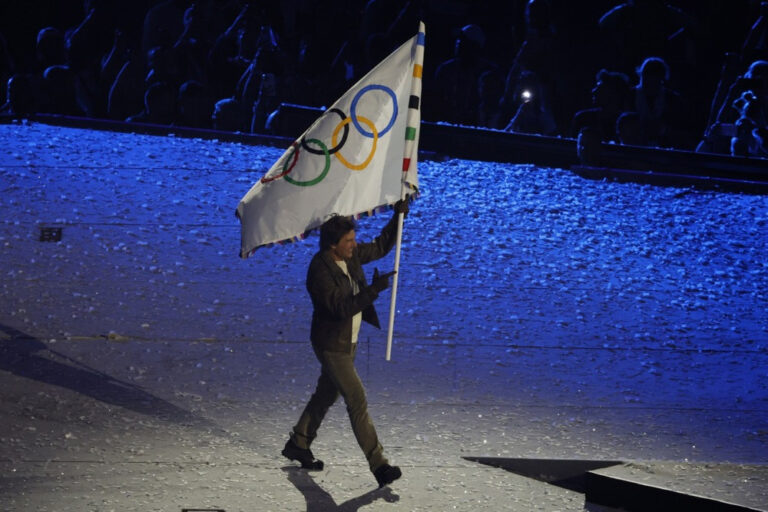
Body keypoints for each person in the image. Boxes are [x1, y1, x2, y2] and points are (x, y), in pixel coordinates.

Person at [282, 199, 410, 488]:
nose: (354, 245)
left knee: (325, 395)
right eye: (349, 241)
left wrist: (397, 217)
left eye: (354, 239)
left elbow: (378, 247)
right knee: (356, 399)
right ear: (332, 245)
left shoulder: (349, 256)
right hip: (331, 345)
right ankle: (380, 466)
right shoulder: (319, 272)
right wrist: (373, 291)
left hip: (347, 342)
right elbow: (340, 308)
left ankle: (298, 443)